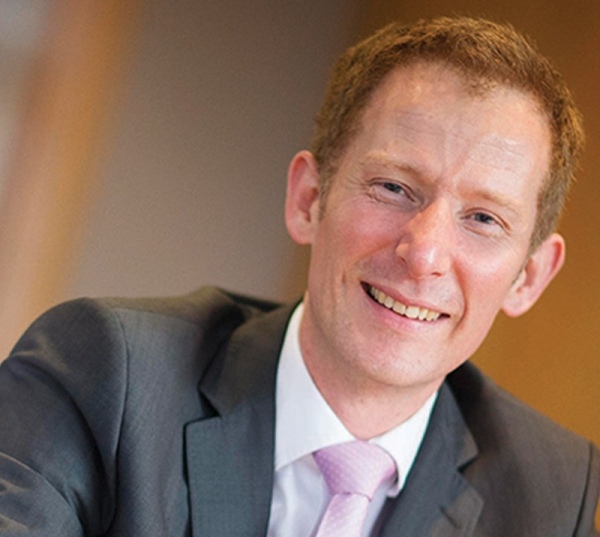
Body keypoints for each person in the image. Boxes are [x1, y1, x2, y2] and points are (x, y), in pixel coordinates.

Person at [0, 15, 598, 537]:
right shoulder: (107, 374)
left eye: (484, 219)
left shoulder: (554, 495)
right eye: (393, 187)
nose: (424, 254)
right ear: (309, 199)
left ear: (529, 277)